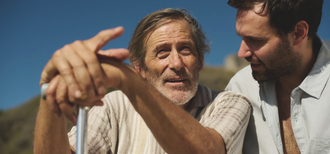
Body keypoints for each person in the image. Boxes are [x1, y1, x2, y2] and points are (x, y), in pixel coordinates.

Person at [34, 8, 251, 154]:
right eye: (162, 52)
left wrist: (130, 82)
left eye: (185, 50)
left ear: (200, 61)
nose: (176, 63)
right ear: (141, 69)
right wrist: (50, 89)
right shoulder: (114, 106)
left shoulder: (230, 102)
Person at [225, 0, 330, 153]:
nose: (241, 53)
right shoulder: (240, 87)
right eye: (242, 37)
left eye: (255, 40)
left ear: (298, 33)